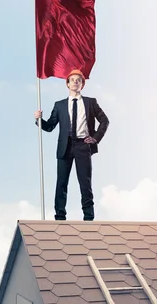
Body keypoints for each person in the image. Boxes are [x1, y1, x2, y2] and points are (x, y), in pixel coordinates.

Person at [34, 69, 109, 221]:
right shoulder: (59, 105)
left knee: (85, 183)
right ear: (67, 84)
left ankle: (88, 217)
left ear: (82, 84)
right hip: (65, 147)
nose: (75, 82)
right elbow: (49, 127)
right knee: (61, 183)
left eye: (78, 80)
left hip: (83, 146)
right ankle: (60, 216)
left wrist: (95, 138)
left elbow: (105, 121)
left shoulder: (90, 102)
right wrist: (38, 120)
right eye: (72, 80)